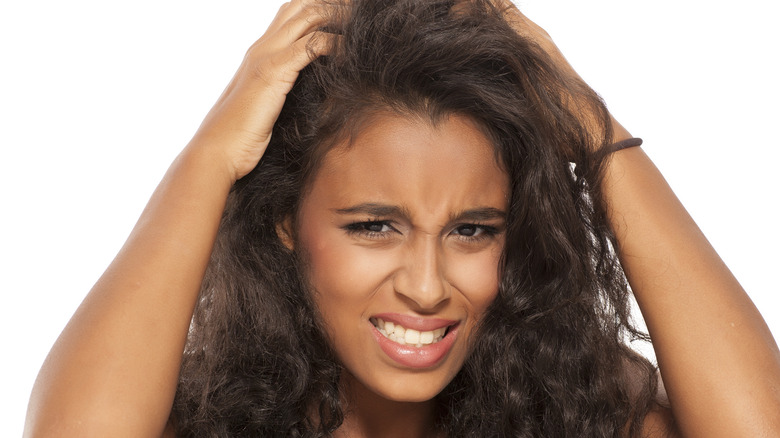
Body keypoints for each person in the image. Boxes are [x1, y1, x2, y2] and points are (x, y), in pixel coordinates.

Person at [23, 0, 780, 436]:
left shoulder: (579, 411)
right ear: (288, 222)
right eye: (374, 226)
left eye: (472, 229)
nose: (426, 288)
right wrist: (209, 159)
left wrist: (594, 132)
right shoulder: (209, 416)